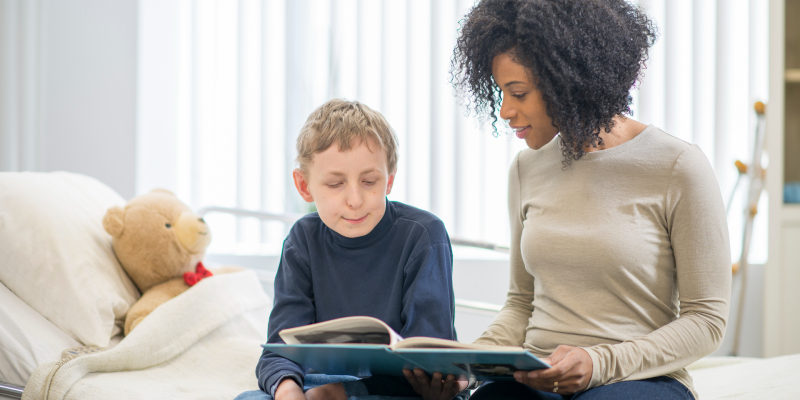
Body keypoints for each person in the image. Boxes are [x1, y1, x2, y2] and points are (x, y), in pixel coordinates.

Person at [411, 0, 731, 398]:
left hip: (636, 379)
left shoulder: (678, 166)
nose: (505, 110)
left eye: (519, 93)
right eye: (501, 92)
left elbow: (707, 320)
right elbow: (520, 304)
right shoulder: (526, 168)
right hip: (535, 378)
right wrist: (467, 365)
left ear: (568, 81)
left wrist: (599, 364)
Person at [235, 99, 467, 400]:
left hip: (396, 390)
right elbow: (278, 353)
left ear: (389, 180)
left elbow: (429, 361)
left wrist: (347, 390)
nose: (355, 200)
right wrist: (287, 390)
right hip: (319, 385)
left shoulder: (423, 236)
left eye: (369, 181)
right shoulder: (302, 241)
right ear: (304, 185)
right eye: (335, 184)